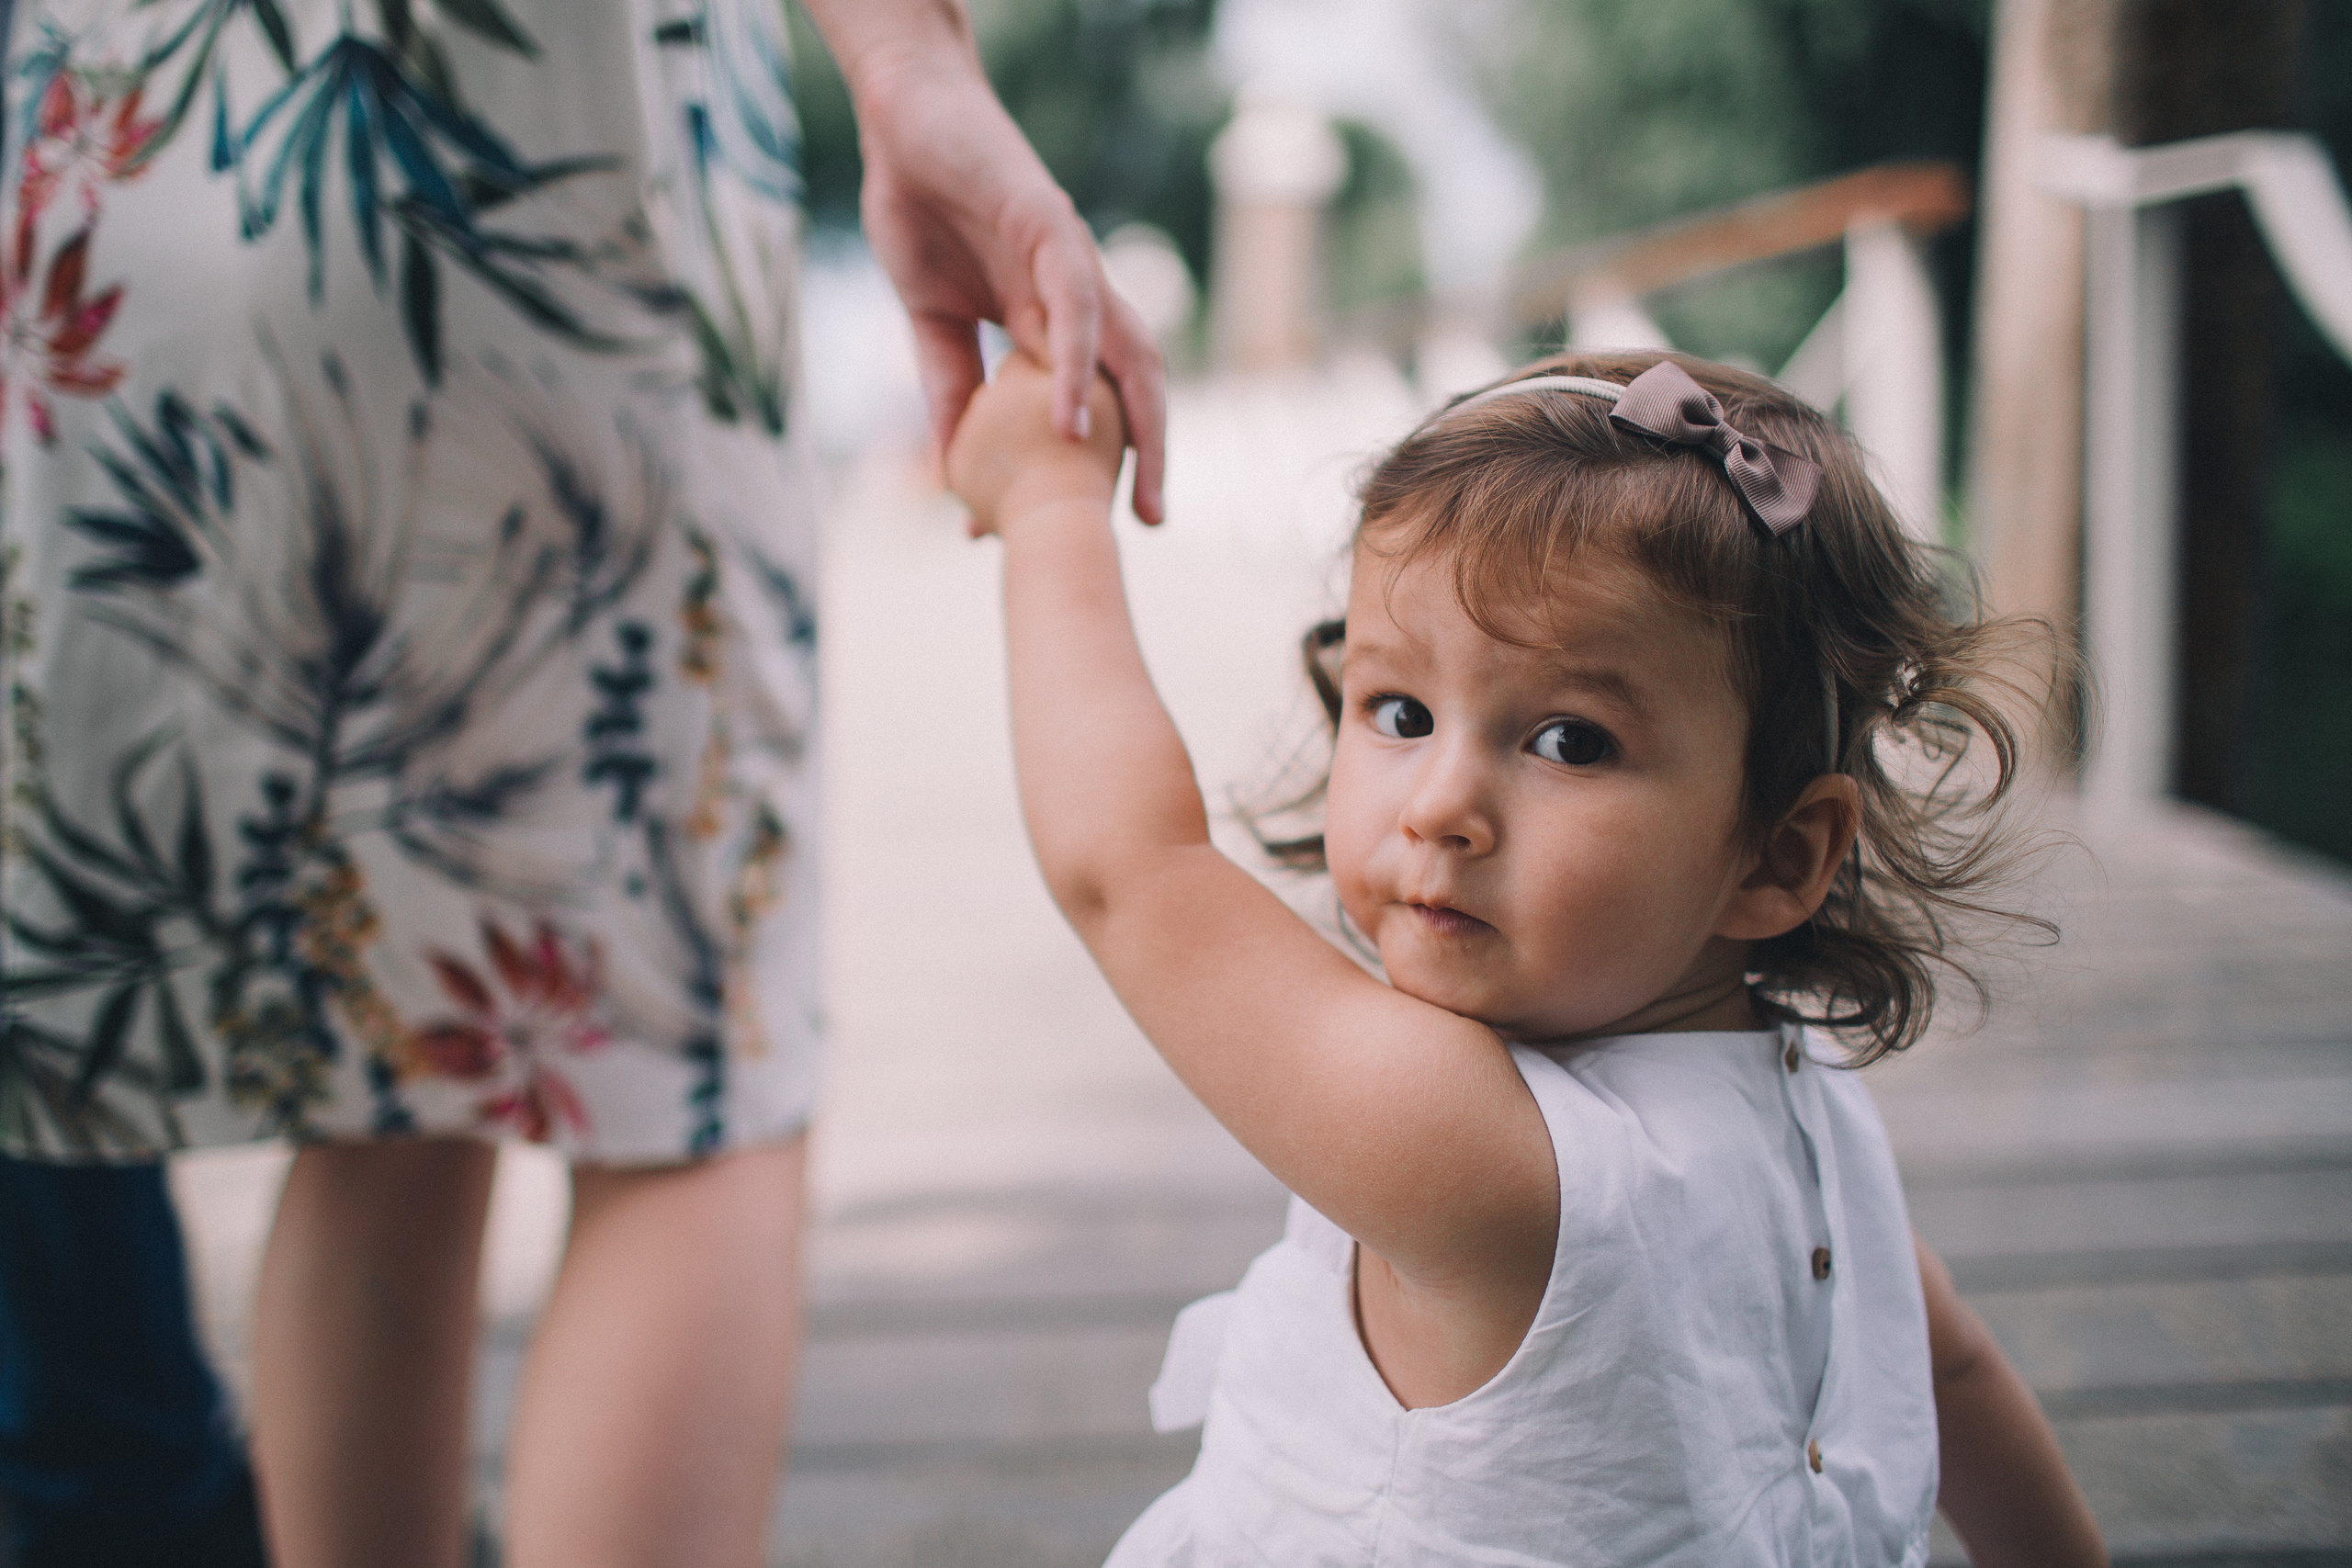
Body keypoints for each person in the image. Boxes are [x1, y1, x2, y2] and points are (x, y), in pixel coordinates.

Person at [0, 3, 1159, 1566]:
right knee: (696, 1074)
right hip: (571, 137)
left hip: (164, 149)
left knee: (384, 1046)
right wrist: (911, 63)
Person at [946, 347, 2108, 1564]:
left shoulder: (1486, 1157)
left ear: (1777, 854)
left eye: (1568, 740)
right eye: (1398, 712)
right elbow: (1949, 1369)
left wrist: (1050, 499)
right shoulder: (1813, 1103)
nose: (1442, 801)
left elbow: (1132, 871)